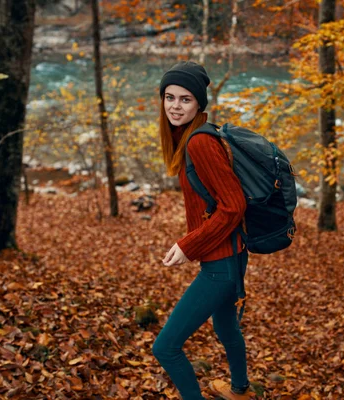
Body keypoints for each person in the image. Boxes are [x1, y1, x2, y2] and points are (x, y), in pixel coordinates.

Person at [151, 61, 254, 400]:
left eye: (185, 99)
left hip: (221, 265)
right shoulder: (190, 139)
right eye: (170, 97)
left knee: (166, 347)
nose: (175, 106)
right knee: (226, 328)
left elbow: (234, 204)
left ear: (199, 105)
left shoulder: (200, 143)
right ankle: (240, 390)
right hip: (231, 255)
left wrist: (188, 244)